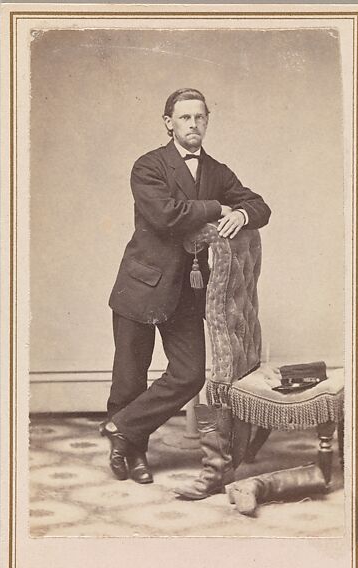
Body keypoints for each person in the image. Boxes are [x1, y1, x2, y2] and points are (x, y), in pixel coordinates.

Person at [101, 88, 271, 490]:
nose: (193, 125)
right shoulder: (148, 166)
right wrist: (218, 208)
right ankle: (133, 451)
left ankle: (120, 428)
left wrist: (243, 212)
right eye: (184, 118)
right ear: (168, 123)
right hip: (140, 287)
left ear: (207, 121)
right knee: (130, 377)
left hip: (189, 292)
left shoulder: (217, 171)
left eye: (200, 118)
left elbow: (261, 206)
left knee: (189, 374)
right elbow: (165, 216)